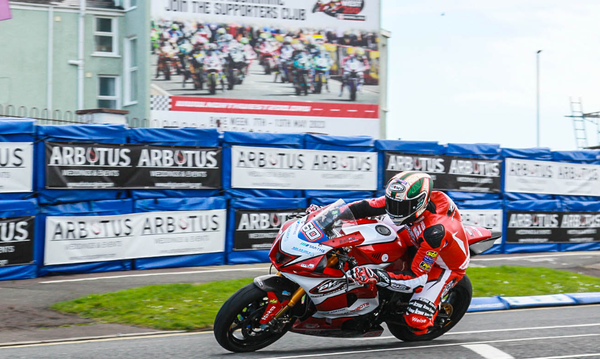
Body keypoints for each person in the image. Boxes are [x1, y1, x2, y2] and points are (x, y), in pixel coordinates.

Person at [330, 171, 469, 334]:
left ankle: (427, 310)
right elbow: (365, 207)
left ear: (419, 203)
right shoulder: (403, 201)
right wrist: (330, 216)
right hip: (415, 232)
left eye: (401, 207)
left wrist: (376, 275)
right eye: (391, 203)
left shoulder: (435, 232)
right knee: (364, 225)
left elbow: (417, 278)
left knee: (417, 322)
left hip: (442, 264)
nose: (395, 209)